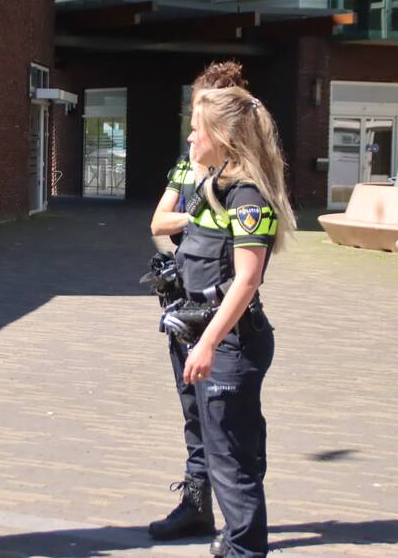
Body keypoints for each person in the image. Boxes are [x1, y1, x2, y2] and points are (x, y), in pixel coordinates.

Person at [173, 85, 296, 558]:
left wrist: (206, 344)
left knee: (233, 460)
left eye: (195, 130)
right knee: (225, 450)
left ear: (222, 136)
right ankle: (235, 541)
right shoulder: (217, 186)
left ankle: (245, 549)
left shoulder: (248, 197)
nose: (189, 139)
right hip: (216, 338)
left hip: (231, 344)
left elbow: (246, 281)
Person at [147, 62, 250, 546]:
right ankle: (196, 506)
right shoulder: (189, 167)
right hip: (181, 307)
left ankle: (241, 527)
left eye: (199, 117)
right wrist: (199, 216)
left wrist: (192, 218)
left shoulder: (243, 178)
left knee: (226, 423)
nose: (191, 130)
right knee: (193, 414)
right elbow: (157, 223)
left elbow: (245, 250)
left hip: (219, 312)